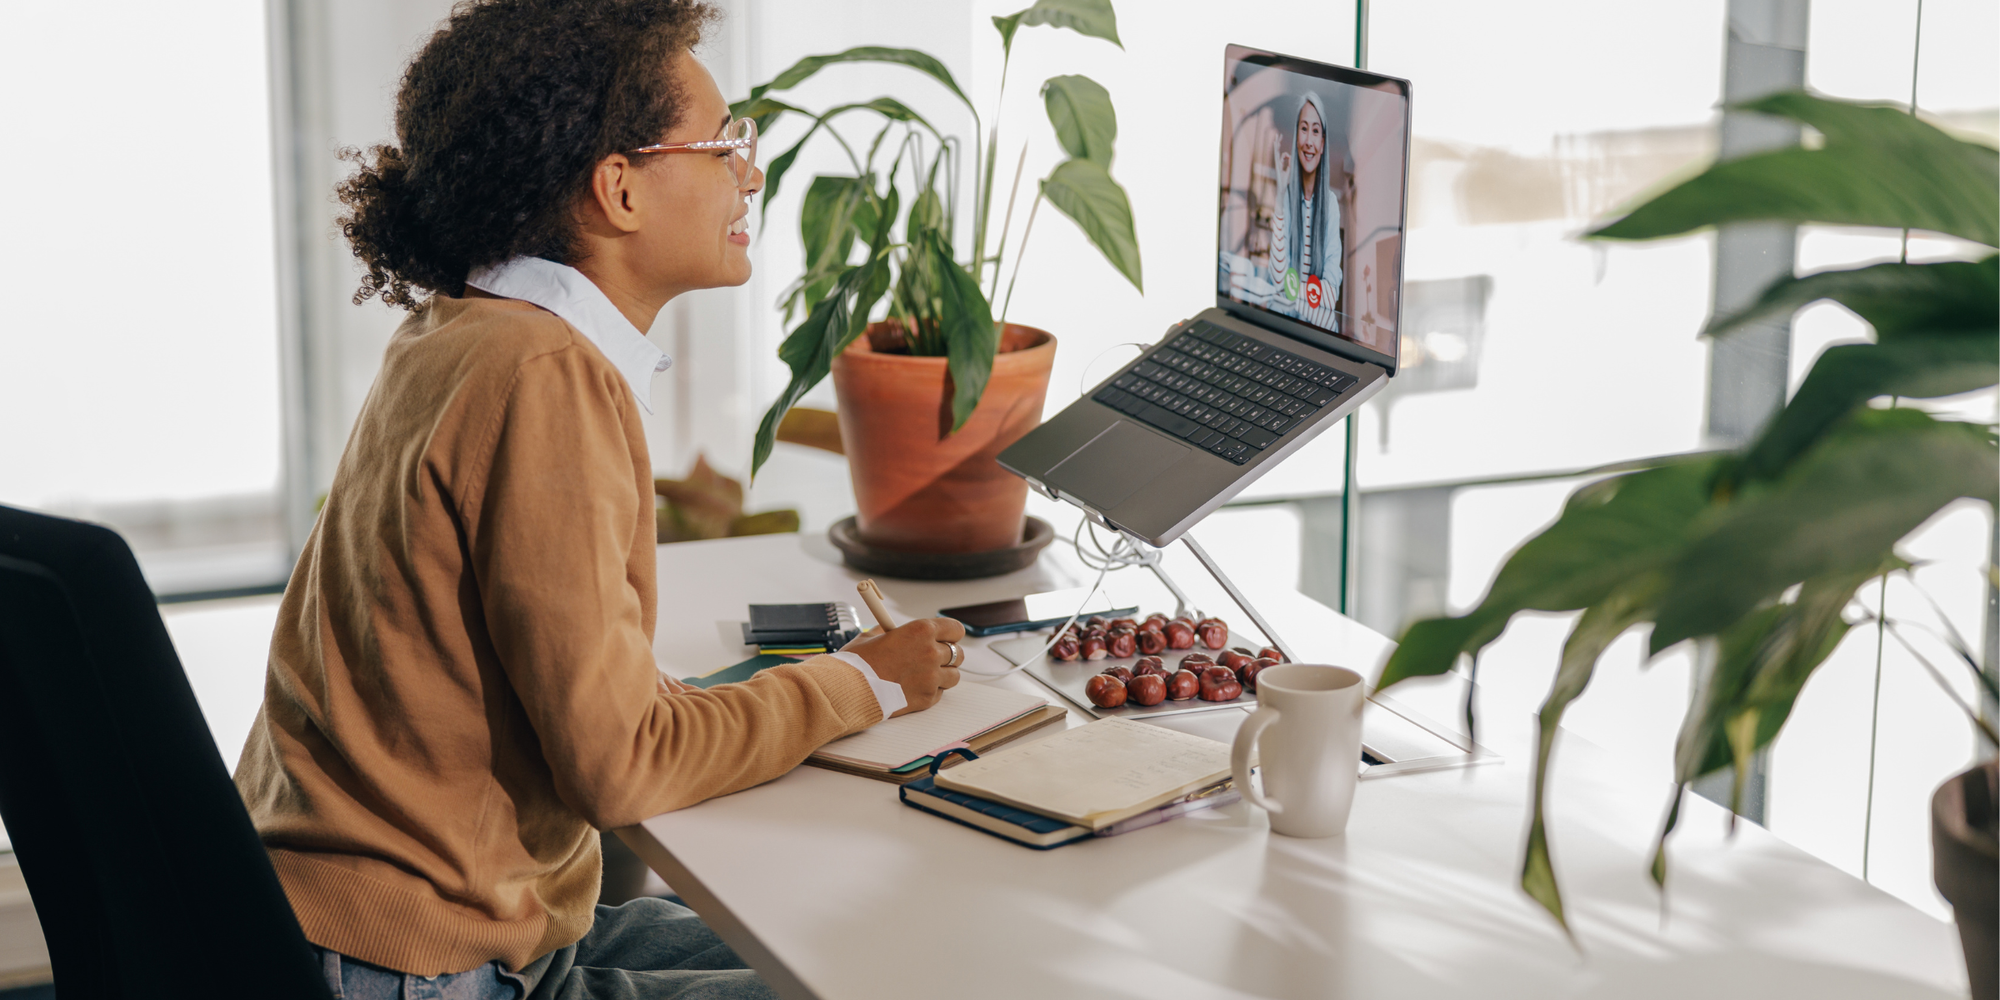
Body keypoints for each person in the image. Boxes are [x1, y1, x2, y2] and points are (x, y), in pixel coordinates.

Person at [231, 2, 963, 998]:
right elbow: (620, 766)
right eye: (723, 144)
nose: (750, 172)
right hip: (420, 963)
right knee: (895, 978)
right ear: (617, 188)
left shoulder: (464, 332)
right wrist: (862, 685)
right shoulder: (544, 375)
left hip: (332, 924)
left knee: (860, 942)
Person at [1267, 92, 1345, 330]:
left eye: (1315, 131)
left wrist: (1290, 294)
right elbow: (1277, 277)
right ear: (1296, 138)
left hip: (1317, 334)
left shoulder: (1331, 204)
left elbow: (1331, 296)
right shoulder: (1288, 199)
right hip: (1284, 329)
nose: (1309, 141)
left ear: (1322, 144)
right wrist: (1280, 196)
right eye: (1303, 129)